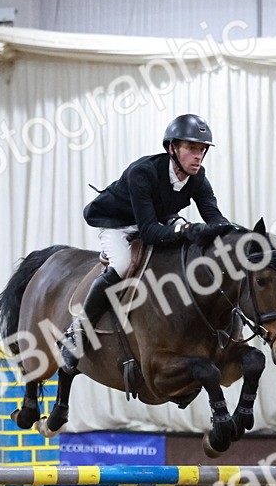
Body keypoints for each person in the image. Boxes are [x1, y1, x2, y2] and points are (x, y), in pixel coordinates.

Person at [61, 113, 232, 373]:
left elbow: (215, 218)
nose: (198, 156)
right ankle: (77, 332)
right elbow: (150, 233)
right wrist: (187, 229)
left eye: (202, 150)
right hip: (118, 223)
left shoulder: (197, 177)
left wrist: (234, 234)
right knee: (122, 264)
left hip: (155, 219)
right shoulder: (143, 172)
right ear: (172, 148)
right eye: (192, 148)